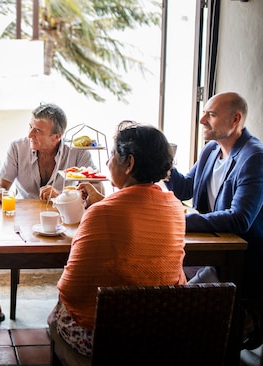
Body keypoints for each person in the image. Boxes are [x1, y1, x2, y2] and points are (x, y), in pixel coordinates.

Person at [48, 121, 187, 358]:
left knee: (55, 314)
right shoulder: (174, 207)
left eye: (112, 155)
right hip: (159, 332)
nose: (106, 161)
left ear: (129, 163)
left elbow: (70, 289)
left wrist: (100, 207)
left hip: (107, 338)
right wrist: (103, 202)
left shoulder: (101, 212)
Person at [164, 91, 263, 349]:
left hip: (241, 258)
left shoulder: (254, 157)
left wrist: (180, 222)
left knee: (174, 303)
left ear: (235, 120)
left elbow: (240, 219)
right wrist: (164, 166)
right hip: (211, 250)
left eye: (212, 114)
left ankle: (246, 320)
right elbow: (186, 188)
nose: (202, 120)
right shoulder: (211, 150)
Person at [0, 103, 96, 322]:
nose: (30, 134)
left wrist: (63, 195)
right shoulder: (18, 147)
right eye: (30, 127)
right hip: (24, 223)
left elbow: (96, 195)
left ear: (57, 136)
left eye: (37, 130)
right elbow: (1, 184)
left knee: (92, 251)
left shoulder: (78, 153)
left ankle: (78, 314)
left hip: (66, 225)